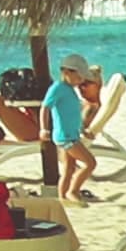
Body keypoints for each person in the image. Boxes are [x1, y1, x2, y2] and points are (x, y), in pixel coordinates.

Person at [40, 62, 98, 203]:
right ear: (66, 72)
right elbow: (45, 107)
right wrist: (44, 128)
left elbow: (72, 116)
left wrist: (83, 130)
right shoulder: (58, 88)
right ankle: (73, 191)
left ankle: (62, 197)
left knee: (68, 169)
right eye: (78, 76)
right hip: (66, 137)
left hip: (72, 134)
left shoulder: (69, 90)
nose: (81, 80)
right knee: (90, 163)